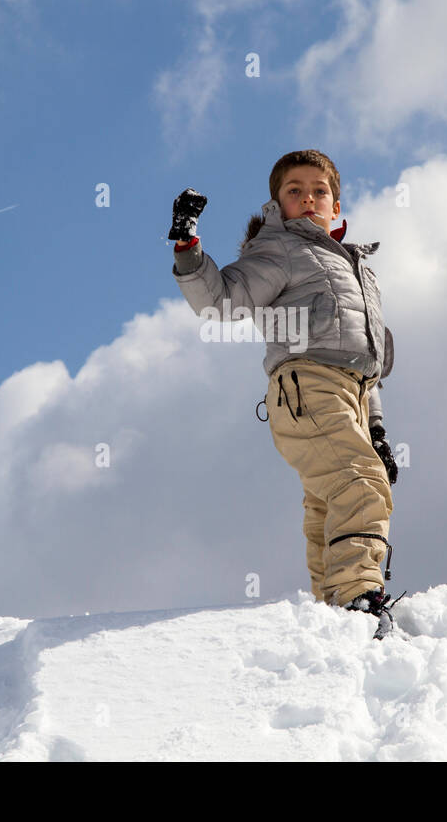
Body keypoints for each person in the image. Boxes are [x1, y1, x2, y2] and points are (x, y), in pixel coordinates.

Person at [169, 149, 403, 638]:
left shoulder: (358, 267)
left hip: (352, 393)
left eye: (320, 191)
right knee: (359, 483)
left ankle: (334, 613)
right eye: (294, 190)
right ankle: (358, 593)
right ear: (278, 203)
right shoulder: (280, 249)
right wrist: (188, 246)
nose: (309, 198)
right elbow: (220, 303)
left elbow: (369, 364)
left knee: (327, 502)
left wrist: (376, 429)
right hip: (308, 385)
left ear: (336, 206)